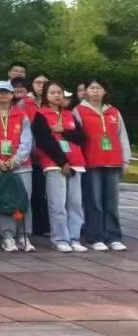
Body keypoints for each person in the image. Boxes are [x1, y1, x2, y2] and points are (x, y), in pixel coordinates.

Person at [31, 81, 88, 253]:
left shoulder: (69, 114)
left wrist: (63, 130)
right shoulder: (40, 115)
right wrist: (62, 162)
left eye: (59, 92)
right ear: (46, 95)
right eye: (52, 92)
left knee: (75, 204)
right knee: (57, 204)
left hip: (76, 163)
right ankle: (60, 238)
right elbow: (44, 141)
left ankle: (74, 237)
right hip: (55, 164)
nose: (57, 95)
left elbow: (81, 137)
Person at [76, 78, 130, 252]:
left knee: (112, 202)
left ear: (105, 91)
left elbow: (122, 136)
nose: (95, 91)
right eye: (92, 88)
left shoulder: (114, 111)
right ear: (86, 91)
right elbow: (76, 138)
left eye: (99, 88)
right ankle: (95, 237)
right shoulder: (79, 111)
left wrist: (125, 160)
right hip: (91, 162)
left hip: (113, 161)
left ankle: (113, 237)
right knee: (94, 201)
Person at [0, 80, 34, 253]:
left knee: (23, 201)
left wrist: (16, 160)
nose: (3, 95)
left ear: (12, 94)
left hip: (21, 166)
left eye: (6, 92)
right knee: (5, 201)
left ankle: (23, 235)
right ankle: (7, 236)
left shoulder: (21, 114)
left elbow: (27, 140)